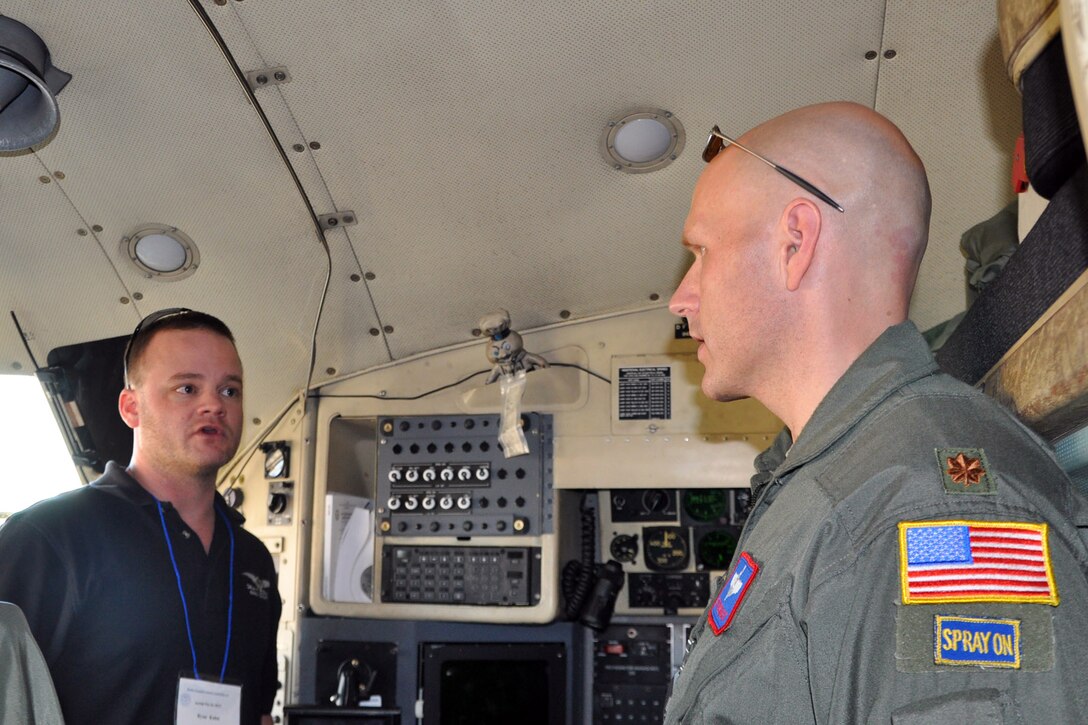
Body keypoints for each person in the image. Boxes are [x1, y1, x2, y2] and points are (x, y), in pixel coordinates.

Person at [664, 102, 1088, 723]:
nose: (682, 298)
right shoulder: (834, 481)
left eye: (702, 252)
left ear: (795, 241)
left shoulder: (928, 509)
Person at [0, 309, 281, 725]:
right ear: (131, 408)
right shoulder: (49, 537)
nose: (213, 405)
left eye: (229, 391)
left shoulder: (253, 558)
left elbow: (259, 709)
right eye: (187, 388)